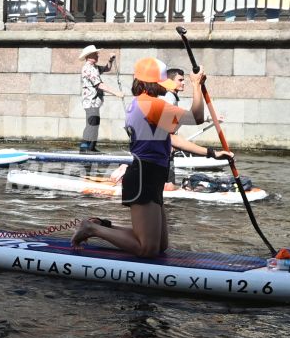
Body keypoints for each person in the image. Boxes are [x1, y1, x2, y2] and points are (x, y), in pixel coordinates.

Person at [72, 58, 209, 258]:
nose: (167, 88)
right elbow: (196, 117)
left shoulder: (141, 104)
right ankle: (92, 229)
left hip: (152, 174)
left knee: (160, 245)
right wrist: (197, 85)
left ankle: (101, 225)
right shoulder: (151, 105)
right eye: (162, 83)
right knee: (148, 249)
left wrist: (209, 153)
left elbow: (172, 135)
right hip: (144, 174)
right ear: (149, 83)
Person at [77, 44, 116, 152]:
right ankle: (84, 148)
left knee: (95, 124)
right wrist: (116, 93)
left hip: (95, 102)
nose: (98, 55)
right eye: (95, 54)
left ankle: (92, 147)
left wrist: (110, 60)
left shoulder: (95, 67)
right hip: (90, 102)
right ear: (89, 56)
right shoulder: (88, 69)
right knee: (91, 124)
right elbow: (99, 85)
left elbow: (107, 68)